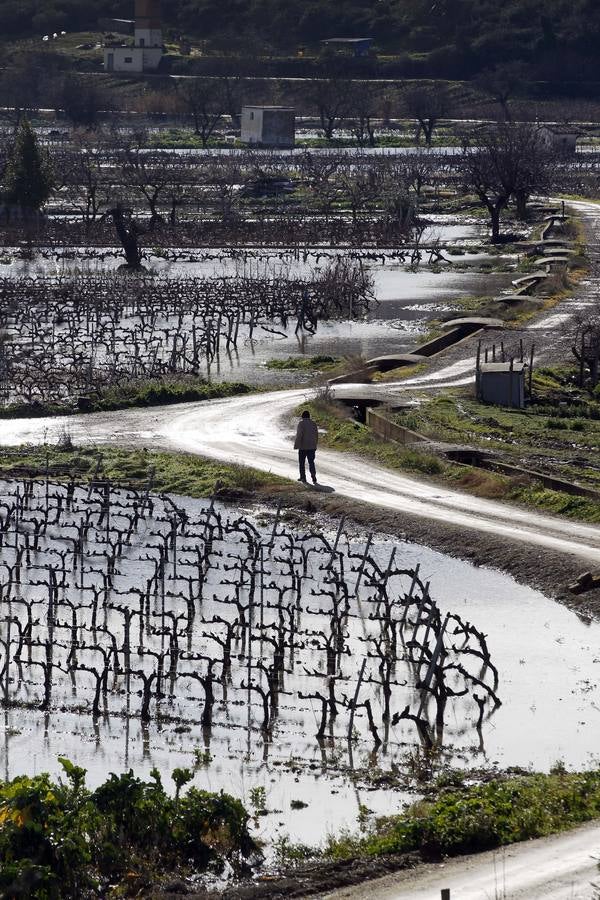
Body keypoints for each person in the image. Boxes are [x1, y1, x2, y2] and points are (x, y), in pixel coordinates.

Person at [294, 410, 318, 484]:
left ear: (302, 416)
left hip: (303, 447)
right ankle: (313, 476)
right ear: (309, 416)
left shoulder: (301, 424)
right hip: (312, 447)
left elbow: (299, 435)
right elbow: (316, 435)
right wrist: (315, 445)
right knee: (311, 462)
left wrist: (296, 445)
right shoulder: (314, 424)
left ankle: (303, 477)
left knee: (302, 463)